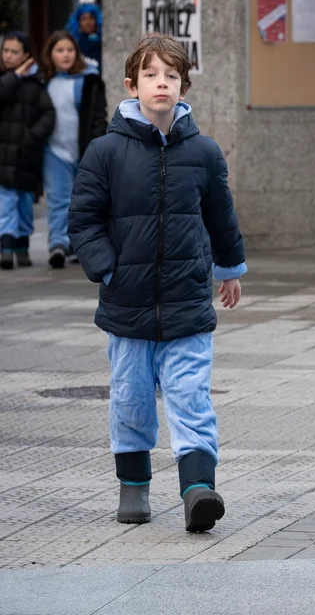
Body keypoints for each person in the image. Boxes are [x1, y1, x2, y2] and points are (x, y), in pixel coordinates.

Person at [68, 33, 247, 533]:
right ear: (132, 85)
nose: (161, 83)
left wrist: (229, 268)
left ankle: (198, 491)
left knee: (191, 396)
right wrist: (108, 268)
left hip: (187, 301)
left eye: (171, 75)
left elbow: (221, 216)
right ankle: (134, 488)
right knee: (131, 399)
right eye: (150, 75)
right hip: (127, 306)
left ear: (184, 87)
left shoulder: (203, 152)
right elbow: (83, 220)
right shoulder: (105, 152)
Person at [40, 31, 108, 268]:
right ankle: (58, 244)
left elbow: (98, 117)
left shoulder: (89, 81)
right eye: (60, 50)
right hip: (54, 151)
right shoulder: (44, 82)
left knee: (84, 200)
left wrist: (97, 145)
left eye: (70, 50)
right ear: (50, 54)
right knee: (58, 199)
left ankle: (80, 245)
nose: (66, 55)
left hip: (83, 150)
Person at [0, 32, 55, 269]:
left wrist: (32, 136)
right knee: (5, 202)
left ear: (26, 56)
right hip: (3, 156)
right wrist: (15, 76)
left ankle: (22, 247)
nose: (8, 56)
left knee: (23, 204)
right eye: (5, 50)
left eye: (14, 52)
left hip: (25, 155)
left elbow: (48, 114)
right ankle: (6, 247)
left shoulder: (36, 85)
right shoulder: (5, 80)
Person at [65, 0, 103, 68]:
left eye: (91, 18)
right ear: (78, 22)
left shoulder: (103, 38)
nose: (87, 22)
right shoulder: (74, 40)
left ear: (97, 20)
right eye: (83, 19)